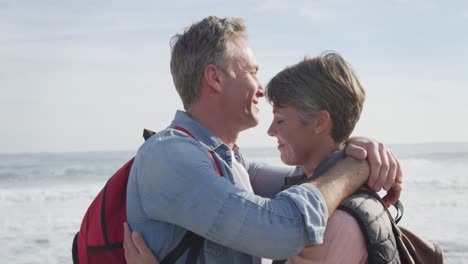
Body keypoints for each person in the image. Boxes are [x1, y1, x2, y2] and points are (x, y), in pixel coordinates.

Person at [126, 16, 401, 264]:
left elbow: (310, 176)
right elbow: (284, 230)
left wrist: (352, 144)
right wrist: (355, 168)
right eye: (253, 72)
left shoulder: (227, 161)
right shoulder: (170, 157)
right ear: (215, 78)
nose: (261, 88)